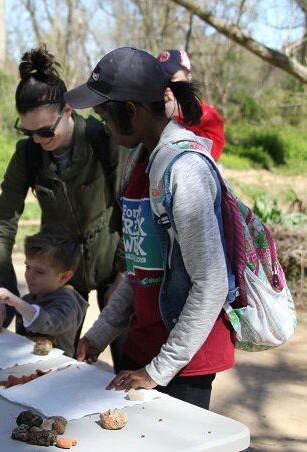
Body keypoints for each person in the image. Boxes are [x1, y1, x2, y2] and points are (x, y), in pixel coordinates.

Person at [69, 47, 235, 409]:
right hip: (144, 345)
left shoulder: (184, 170)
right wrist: (102, 332)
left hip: (183, 362)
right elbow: (141, 269)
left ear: (131, 110)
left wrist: (158, 371)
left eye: (104, 116)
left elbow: (211, 281)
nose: (103, 126)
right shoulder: (138, 161)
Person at [0, 44, 126, 365]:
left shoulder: (103, 140)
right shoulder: (28, 154)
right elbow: (5, 223)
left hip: (110, 265)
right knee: (46, 364)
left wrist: (123, 274)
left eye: (46, 131)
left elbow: (130, 207)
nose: (37, 140)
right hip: (59, 274)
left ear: (69, 110)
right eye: (27, 131)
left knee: (128, 367)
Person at [0, 224, 88, 357]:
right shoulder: (30, 298)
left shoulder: (68, 305)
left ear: (64, 276)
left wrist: (16, 302)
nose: (30, 275)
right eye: (28, 267)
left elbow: (47, 323)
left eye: (40, 271)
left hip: (57, 371)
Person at [158, 48, 226, 161]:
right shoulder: (151, 109)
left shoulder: (207, 114)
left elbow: (212, 153)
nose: (167, 85)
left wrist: (173, 120)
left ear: (188, 76)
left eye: (172, 78)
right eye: (161, 80)